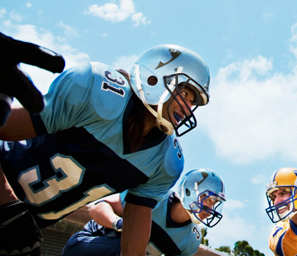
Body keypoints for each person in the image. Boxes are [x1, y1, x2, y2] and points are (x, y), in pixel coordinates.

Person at [0, 44, 211, 256]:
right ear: (154, 78)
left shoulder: (164, 160)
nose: (188, 108)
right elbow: (3, 129)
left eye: (193, 102)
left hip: (24, 223)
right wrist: (7, 201)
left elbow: (134, 238)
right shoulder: (97, 89)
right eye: (184, 93)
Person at [62, 168, 226, 256]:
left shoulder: (190, 239)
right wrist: (122, 225)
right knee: (133, 248)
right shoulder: (156, 196)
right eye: (209, 200)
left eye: (215, 203)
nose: (211, 209)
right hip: (85, 245)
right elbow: (97, 207)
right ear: (191, 191)